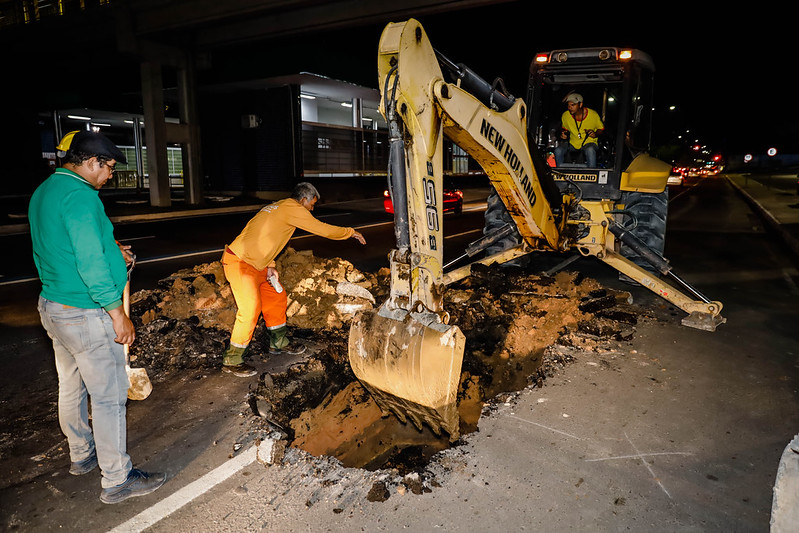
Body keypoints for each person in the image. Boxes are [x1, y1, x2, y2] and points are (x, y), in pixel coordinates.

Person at [29, 130, 167, 504]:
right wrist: (117, 313)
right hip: (85, 313)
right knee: (108, 398)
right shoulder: (81, 196)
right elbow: (89, 263)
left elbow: (64, 245)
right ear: (91, 162)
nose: (109, 177)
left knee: (71, 386)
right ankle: (117, 480)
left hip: (54, 307)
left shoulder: (46, 191)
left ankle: (82, 455)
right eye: (108, 169)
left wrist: (112, 248)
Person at [220, 182, 367, 377]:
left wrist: (270, 266)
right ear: (303, 200)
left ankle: (278, 342)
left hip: (258, 264)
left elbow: (264, 237)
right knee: (250, 309)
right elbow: (322, 229)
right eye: (312, 205)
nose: (312, 209)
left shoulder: (278, 207)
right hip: (240, 262)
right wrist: (350, 232)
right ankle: (232, 360)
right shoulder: (293, 208)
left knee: (277, 297)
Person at [554, 92, 604, 167]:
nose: (569, 107)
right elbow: (564, 129)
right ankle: (560, 175)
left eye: (573, 105)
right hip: (572, 143)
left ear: (580, 105)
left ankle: (592, 174)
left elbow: (601, 129)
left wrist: (595, 134)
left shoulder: (593, 115)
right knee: (558, 151)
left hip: (589, 142)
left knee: (590, 150)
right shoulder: (565, 115)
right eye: (568, 105)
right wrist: (563, 134)